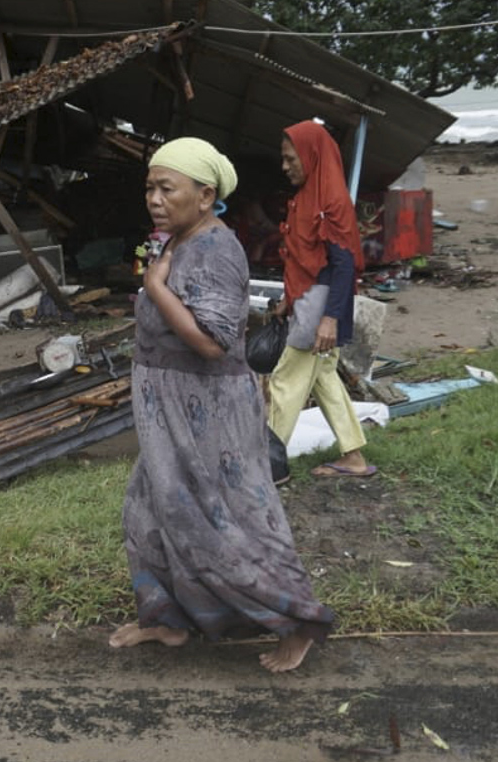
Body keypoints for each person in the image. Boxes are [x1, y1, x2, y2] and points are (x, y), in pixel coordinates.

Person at [110, 137, 334, 673]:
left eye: (168, 188)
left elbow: (213, 341)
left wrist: (154, 287)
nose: (155, 199)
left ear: (206, 195)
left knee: (229, 520)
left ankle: (297, 621)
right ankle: (166, 618)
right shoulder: (179, 241)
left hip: (206, 413)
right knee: (148, 512)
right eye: (150, 187)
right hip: (171, 409)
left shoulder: (214, 250)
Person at [268, 121, 375, 479]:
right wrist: (288, 299)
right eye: (283, 160)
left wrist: (329, 319)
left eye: (290, 158)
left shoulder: (332, 200)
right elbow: (303, 260)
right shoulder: (306, 197)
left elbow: (344, 266)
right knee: (324, 378)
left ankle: (267, 463)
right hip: (308, 300)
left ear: (311, 155)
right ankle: (354, 457)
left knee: (285, 378)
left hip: (320, 307)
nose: (285, 167)